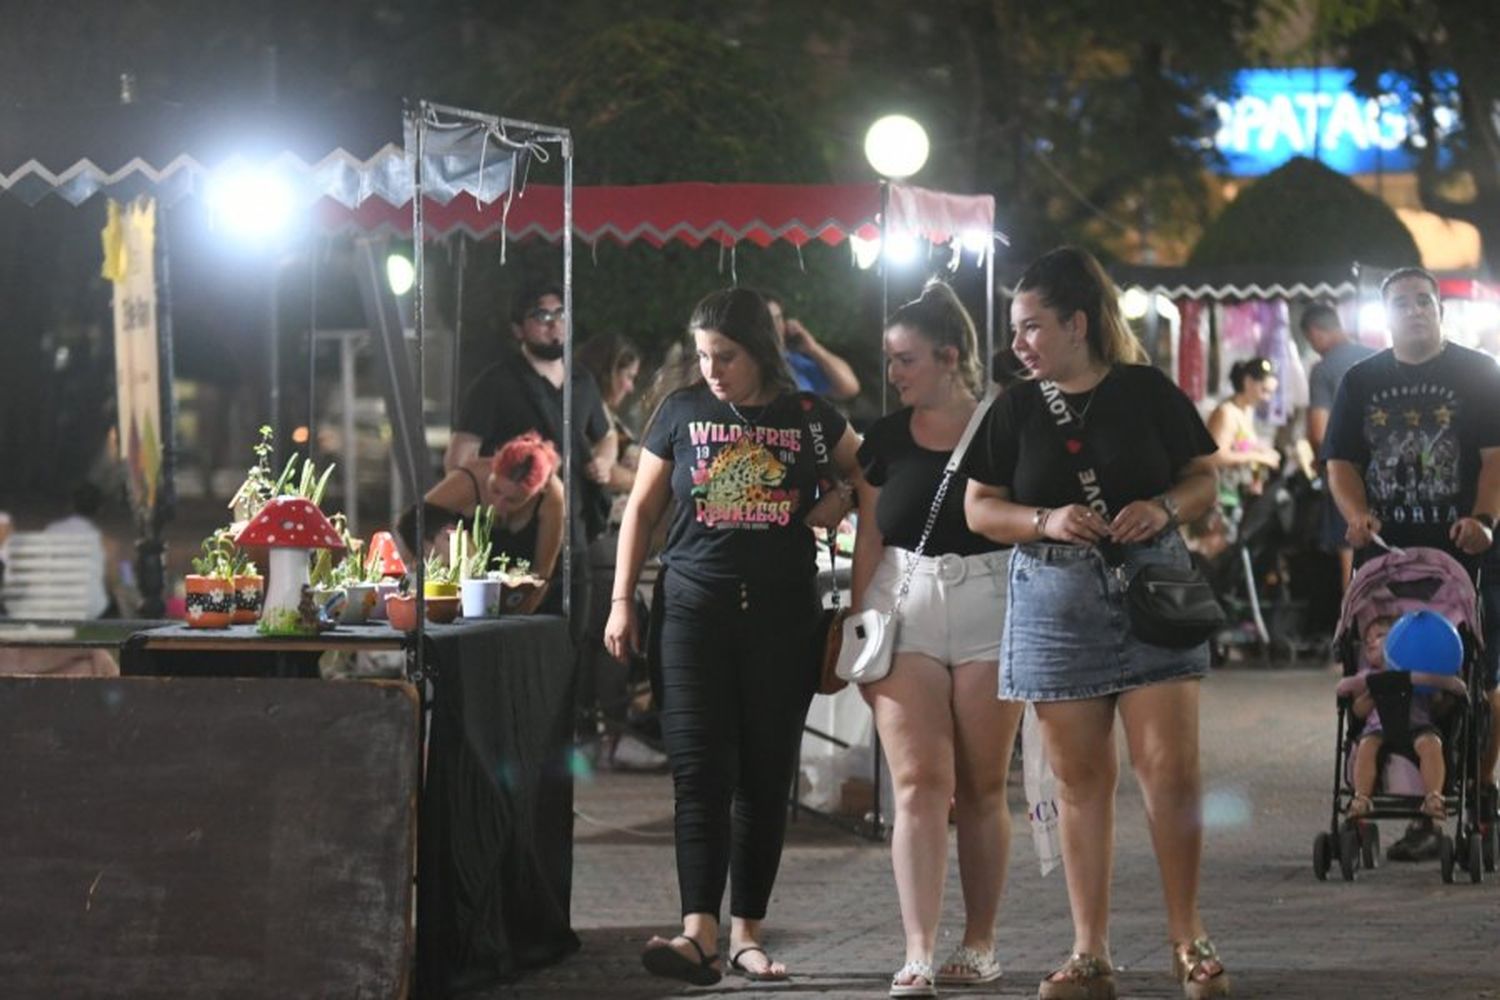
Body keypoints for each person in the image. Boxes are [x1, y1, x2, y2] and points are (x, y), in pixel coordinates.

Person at [962, 247, 1229, 1000]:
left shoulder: (1145, 391)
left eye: (1031, 327)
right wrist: (1043, 518)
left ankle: (1190, 939)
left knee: (1170, 774)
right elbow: (979, 507)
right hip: (1054, 599)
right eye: (1015, 329)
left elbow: (1204, 476)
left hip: (1153, 591)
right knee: (1081, 783)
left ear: (1077, 324)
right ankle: (1089, 951)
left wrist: (1166, 507)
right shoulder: (1013, 407)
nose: (1018, 343)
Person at [604, 287, 860, 986]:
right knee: (699, 774)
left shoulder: (808, 415)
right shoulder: (682, 411)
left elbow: (871, 476)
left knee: (764, 776)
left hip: (782, 618)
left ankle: (747, 933)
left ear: (760, 353)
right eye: (703, 356)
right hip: (691, 611)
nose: (712, 369)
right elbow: (642, 510)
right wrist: (623, 600)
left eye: (726, 356)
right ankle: (698, 936)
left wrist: (829, 505)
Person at [850, 281, 1022, 997]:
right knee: (919, 784)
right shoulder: (884, 439)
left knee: (982, 786)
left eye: (905, 359)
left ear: (950, 357)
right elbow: (869, 532)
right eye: (891, 360)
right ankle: (917, 949)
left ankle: (979, 942)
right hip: (905, 603)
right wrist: (858, 624)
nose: (894, 374)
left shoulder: (1004, 425)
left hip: (990, 598)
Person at [1324, 265, 1500, 859]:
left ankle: (1473, 791)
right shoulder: (1361, 380)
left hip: (1463, 558)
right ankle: (1379, 796)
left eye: (1425, 301)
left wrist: (1482, 519)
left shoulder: (1478, 373)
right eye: (1402, 303)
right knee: (1385, 683)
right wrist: (1357, 513)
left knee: (1481, 683)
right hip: (1386, 562)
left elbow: (1494, 456)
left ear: (1440, 310)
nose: (1415, 310)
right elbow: (1341, 461)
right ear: (1386, 314)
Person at [575, 332, 664, 770]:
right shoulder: (594, 418)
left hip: (612, 540)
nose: (630, 386)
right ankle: (609, 735)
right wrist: (644, 482)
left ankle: (609, 732)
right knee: (613, 638)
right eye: (626, 376)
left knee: (617, 637)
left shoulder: (605, 420)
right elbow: (614, 475)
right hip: (603, 542)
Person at [397, 432, 564, 615]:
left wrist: (516, 623)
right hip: (461, 588)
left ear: (537, 493)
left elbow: (542, 574)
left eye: (513, 500)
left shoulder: (553, 499)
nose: (498, 504)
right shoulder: (470, 479)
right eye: (495, 489)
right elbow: (410, 522)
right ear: (493, 468)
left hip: (517, 590)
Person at [1346, 616, 1450, 822]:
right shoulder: (1368, 675)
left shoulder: (1418, 668)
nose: (1371, 642)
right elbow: (1358, 711)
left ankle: (1434, 797)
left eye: (1379, 636)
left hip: (1418, 725)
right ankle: (1361, 797)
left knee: (1432, 745)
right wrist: (1373, 692)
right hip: (1379, 727)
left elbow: (1438, 705)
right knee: (1366, 746)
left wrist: (1439, 690)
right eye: (1367, 640)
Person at [1302, 303, 1376, 589]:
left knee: (1351, 553)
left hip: (1344, 471)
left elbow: (1319, 432)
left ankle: (1353, 625)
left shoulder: (1324, 369)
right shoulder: (1377, 357)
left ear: (1315, 333)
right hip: (1384, 470)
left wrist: (1319, 461)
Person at [1205, 357, 1281, 533]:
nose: (1267, 398)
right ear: (1248, 382)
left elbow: (1241, 446)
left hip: (1237, 493)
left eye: (1271, 392)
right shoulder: (1226, 413)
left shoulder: (1247, 410)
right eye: (1264, 391)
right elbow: (1216, 456)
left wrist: (1262, 452)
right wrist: (1258, 456)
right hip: (1220, 496)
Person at [765, 292, 861, 401]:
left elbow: (850, 387)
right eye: (767, 320)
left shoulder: (797, 362)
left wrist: (813, 348)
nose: (774, 327)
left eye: (777, 319)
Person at [43, 481, 116, 618]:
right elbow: (118, 580)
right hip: (92, 608)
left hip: (55, 606)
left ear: (72, 504)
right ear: (100, 508)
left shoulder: (51, 531)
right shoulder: (107, 543)